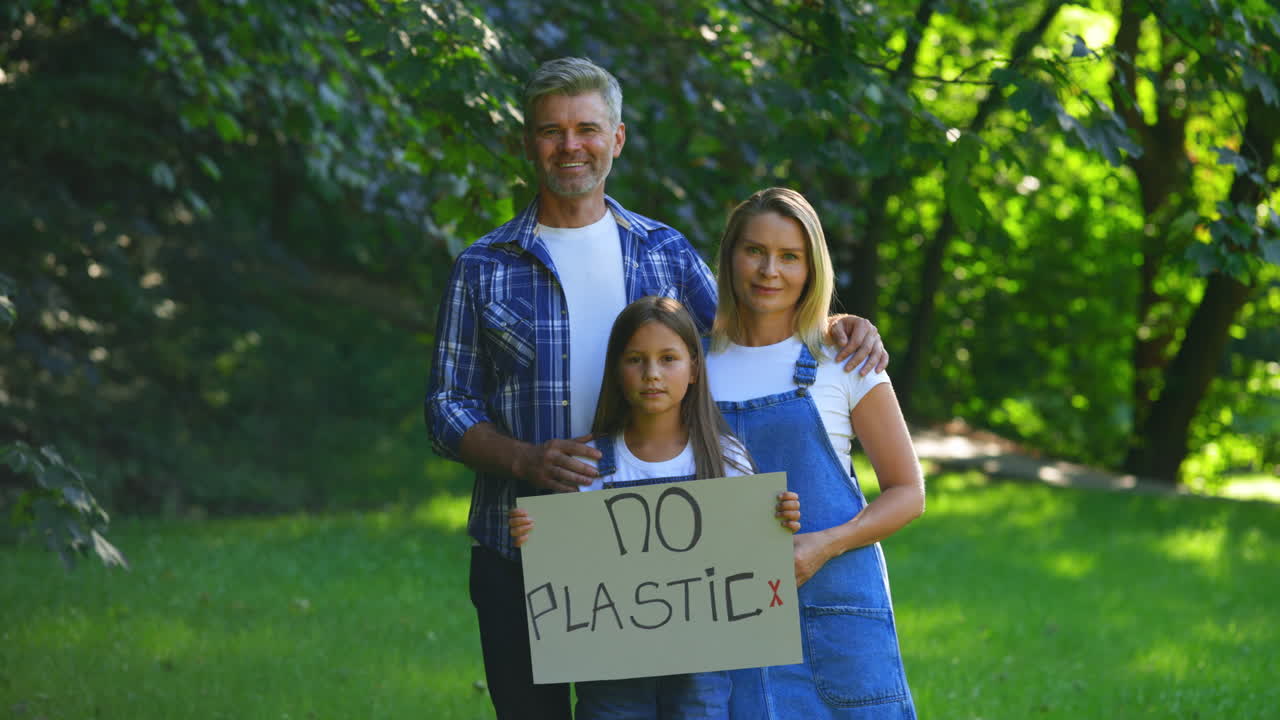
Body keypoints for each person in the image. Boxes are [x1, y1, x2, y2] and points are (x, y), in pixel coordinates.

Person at [425, 57, 887, 720]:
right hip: (520, 545)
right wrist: (525, 460)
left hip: (663, 564)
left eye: (587, 128)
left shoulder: (662, 251)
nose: (570, 145)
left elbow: (737, 337)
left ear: (615, 140)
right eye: (551, 131)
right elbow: (445, 406)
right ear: (528, 142)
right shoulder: (483, 267)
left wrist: (834, 322)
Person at [508, 295, 802, 720]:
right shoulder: (587, 465)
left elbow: (749, 560)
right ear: (616, 369)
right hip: (609, 666)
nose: (652, 375)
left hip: (703, 663)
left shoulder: (726, 459)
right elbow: (570, 570)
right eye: (636, 360)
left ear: (694, 369)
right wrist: (536, 538)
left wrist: (777, 523)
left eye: (668, 359)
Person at [705, 188, 925, 719]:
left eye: (789, 257)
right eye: (754, 251)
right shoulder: (694, 366)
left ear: (812, 267)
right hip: (729, 611)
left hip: (836, 606)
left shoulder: (844, 359)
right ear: (731, 255)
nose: (769, 271)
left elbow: (908, 492)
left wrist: (823, 546)